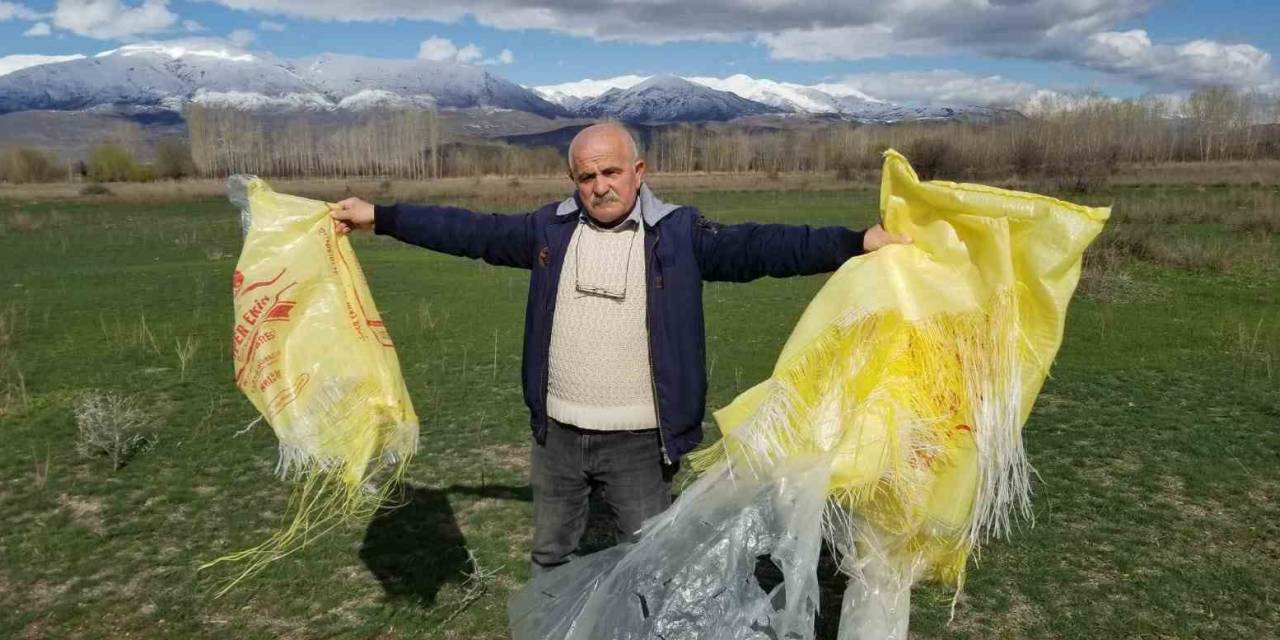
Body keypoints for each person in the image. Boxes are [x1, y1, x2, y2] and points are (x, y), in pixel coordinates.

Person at [329, 122, 910, 576]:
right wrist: (382, 217)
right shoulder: (547, 232)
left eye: (611, 172)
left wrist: (856, 241)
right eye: (586, 177)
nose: (600, 186)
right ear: (573, 181)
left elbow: (764, 246)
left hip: (639, 441)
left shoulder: (680, 234)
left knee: (651, 562)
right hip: (556, 435)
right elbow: (468, 230)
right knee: (550, 554)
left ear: (638, 172)